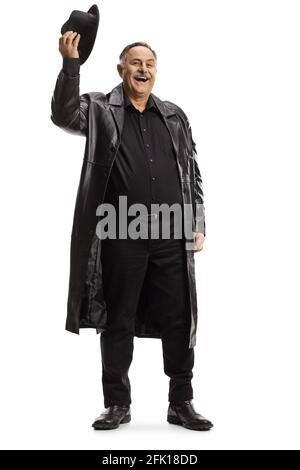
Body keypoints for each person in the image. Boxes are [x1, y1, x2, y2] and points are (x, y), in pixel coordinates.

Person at [51, 30, 213, 431]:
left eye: (150, 63)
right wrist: (71, 67)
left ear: (156, 71)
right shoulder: (101, 110)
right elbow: (64, 114)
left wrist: (197, 220)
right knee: (117, 319)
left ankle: (181, 401)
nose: (144, 69)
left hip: (171, 233)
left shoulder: (174, 114)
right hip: (120, 232)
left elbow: (192, 172)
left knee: (178, 318)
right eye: (136, 62)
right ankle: (117, 404)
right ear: (121, 69)